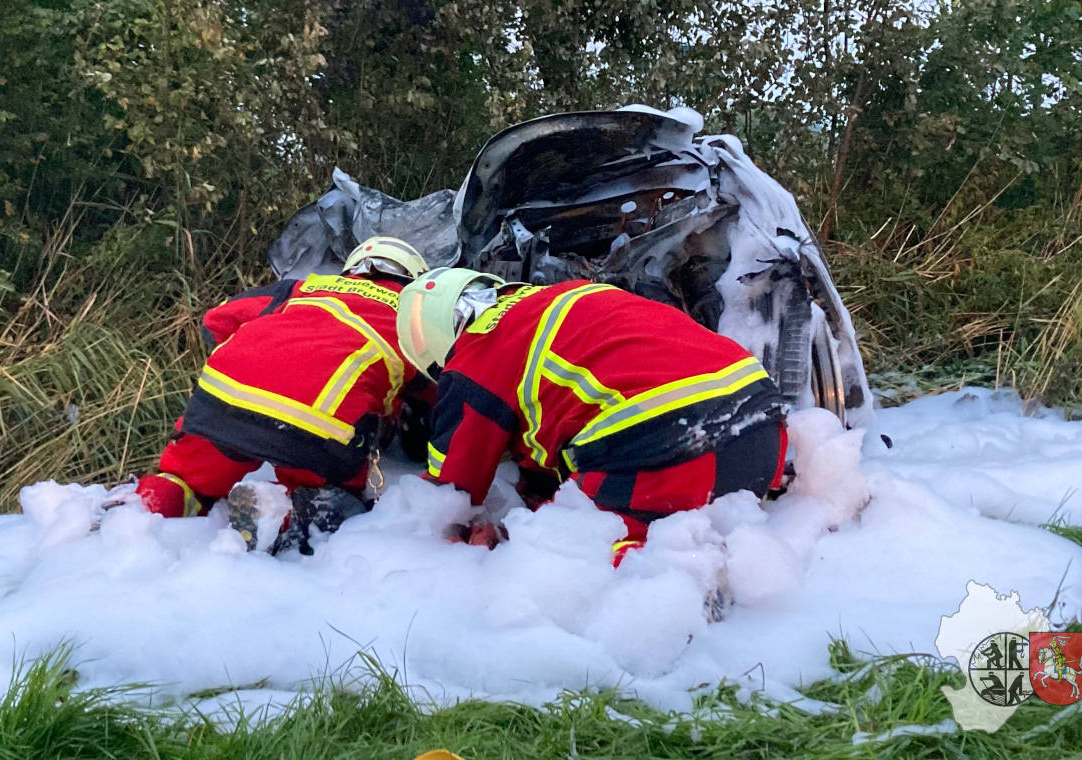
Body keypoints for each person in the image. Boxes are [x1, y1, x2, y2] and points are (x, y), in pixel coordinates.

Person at [396, 268, 789, 564]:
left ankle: (693, 584)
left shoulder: (479, 347)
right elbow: (577, 402)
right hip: (762, 432)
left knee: (560, 556)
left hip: (671, 448)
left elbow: (451, 494)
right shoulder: (575, 297)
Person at [128, 237, 434, 553]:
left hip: (219, 403)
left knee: (186, 480)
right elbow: (435, 388)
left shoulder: (301, 288)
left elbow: (214, 320)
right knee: (331, 497)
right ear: (414, 280)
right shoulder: (412, 315)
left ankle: (136, 512)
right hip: (318, 428)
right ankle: (277, 510)